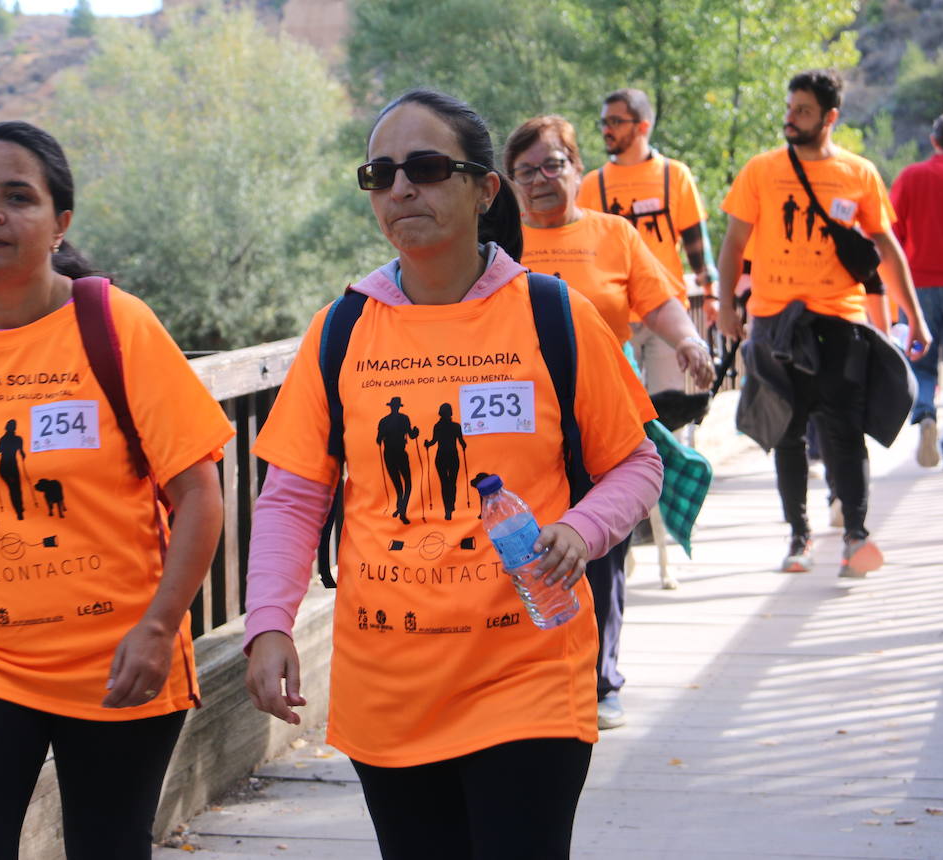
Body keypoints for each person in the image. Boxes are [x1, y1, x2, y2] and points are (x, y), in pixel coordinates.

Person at [243, 89, 664, 859]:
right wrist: (269, 622)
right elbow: (294, 495)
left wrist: (580, 528)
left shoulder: (552, 314)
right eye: (382, 173)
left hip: (528, 673)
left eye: (429, 168)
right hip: (390, 687)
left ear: (483, 189)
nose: (403, 188)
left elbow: (636, 463)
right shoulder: (342, 328)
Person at [0, 121, 232, 859]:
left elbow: (199, 491)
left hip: (116, 653)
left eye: (17, 197)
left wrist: (161, 627)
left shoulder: (117, 327)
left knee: (107, 845)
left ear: (59, 223)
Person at [502, 114, 713, 731]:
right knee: (522, 538)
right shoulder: (500, 244)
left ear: (577, 168)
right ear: (510, 183)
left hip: (603, 411)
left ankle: (601, 679)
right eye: (526, 171)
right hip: (520, 416)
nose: (542, 180)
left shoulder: (613, 234)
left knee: (601, 546)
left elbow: (658, 300)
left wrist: (689, 342)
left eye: (553, 165)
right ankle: (528, 674)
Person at [717, 69, 931, 578]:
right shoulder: (761, 171)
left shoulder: (858, 174)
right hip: (773, 321)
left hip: (839, 321)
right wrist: (727, 305)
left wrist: (914, 316)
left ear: (830, 117)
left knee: (844, 430)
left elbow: (887, 248)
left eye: (804, 111)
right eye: (790, 109)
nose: (791, 119)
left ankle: (855, 536)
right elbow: (734, 243)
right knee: (786, 432)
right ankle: (799, 536)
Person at [577, 88, 717, 393]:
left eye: (615, 121)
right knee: (621, 408)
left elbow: (696, 241)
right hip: (614, 318)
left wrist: (711, 294)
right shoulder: (591, 184)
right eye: (603, 122)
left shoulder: (674, 175)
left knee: (670, 405)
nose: (606, 129)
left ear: (643, 126)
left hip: (665, 311)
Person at [890, 110, 943, 472]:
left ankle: (924, 410)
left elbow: (890, 234)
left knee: (919, 363)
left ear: (933, 140)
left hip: (917, 289)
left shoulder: (911, 177)